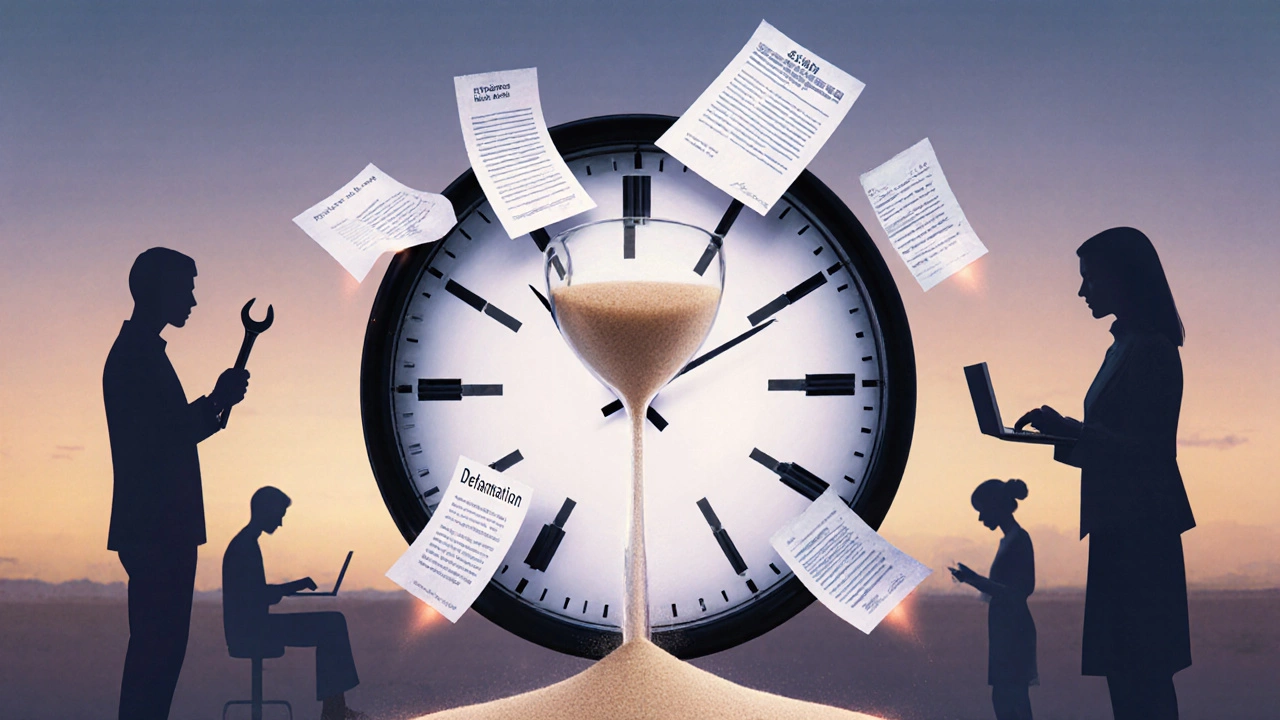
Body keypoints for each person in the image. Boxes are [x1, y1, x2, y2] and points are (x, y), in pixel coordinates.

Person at [1014, 227, 1194, 719]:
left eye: (1089, 278)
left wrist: (1066, 430)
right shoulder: (1126, 348)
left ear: (1123, 278)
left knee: (1141, 675)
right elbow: (1122, 445)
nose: (1081, 291)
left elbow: (1147, 452)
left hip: (1140, 531)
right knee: (1130, 672)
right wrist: (1065, 432)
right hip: (1123, 527)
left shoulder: (1150, 350)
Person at [104, 247, 250, 720]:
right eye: (185, 289)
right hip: (158, 530)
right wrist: (215, 401)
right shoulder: (135, 357)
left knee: (158, 653)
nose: (191, 300)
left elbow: (166, 434)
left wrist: (216, 403)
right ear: (158, 290)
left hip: (158, 528)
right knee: (157, 655)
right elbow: (161, 440)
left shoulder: (140, 353)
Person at [223, 487, 363, 720]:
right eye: (278, 515)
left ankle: (335, 709)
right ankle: (334, 711)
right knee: (332, 623)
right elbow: (256, 596)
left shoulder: (245, 543)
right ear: (265, 511)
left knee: (332, 623)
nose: (279, 523)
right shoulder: (244, 546)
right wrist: (293, 586)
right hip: (251, 631)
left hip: (252, 627)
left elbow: (254, 594)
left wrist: (289, 587)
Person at [951, 479, 1037, 720]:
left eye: (982, 512)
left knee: (1011, 699)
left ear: (995, 507)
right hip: (1006, 630)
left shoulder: (1019, 539)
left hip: (1013, 630)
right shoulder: (1010, 540)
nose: (980, 519)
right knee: (1008, 698)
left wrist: (973, 579)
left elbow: (1020, 590)